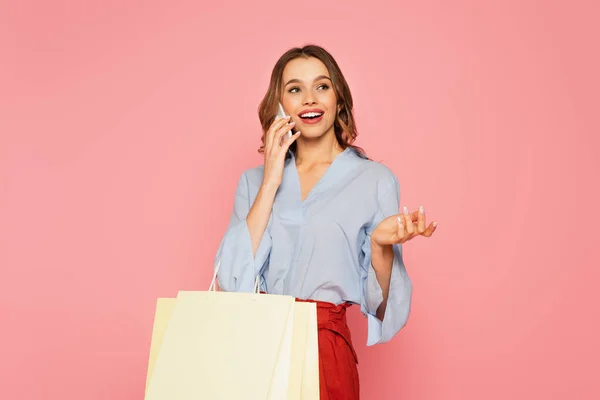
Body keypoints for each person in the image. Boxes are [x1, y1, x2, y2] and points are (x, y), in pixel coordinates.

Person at [214, 44, 437, 399]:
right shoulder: (253, 182)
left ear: (338, 98)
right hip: (260, 347)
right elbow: (232, 282)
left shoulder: (375, 180)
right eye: (294, 89)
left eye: (321, 86)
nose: (309, 100)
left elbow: (384, 308)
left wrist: (380, 247)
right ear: (279, 105)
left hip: (326, 349)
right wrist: (272, 178)